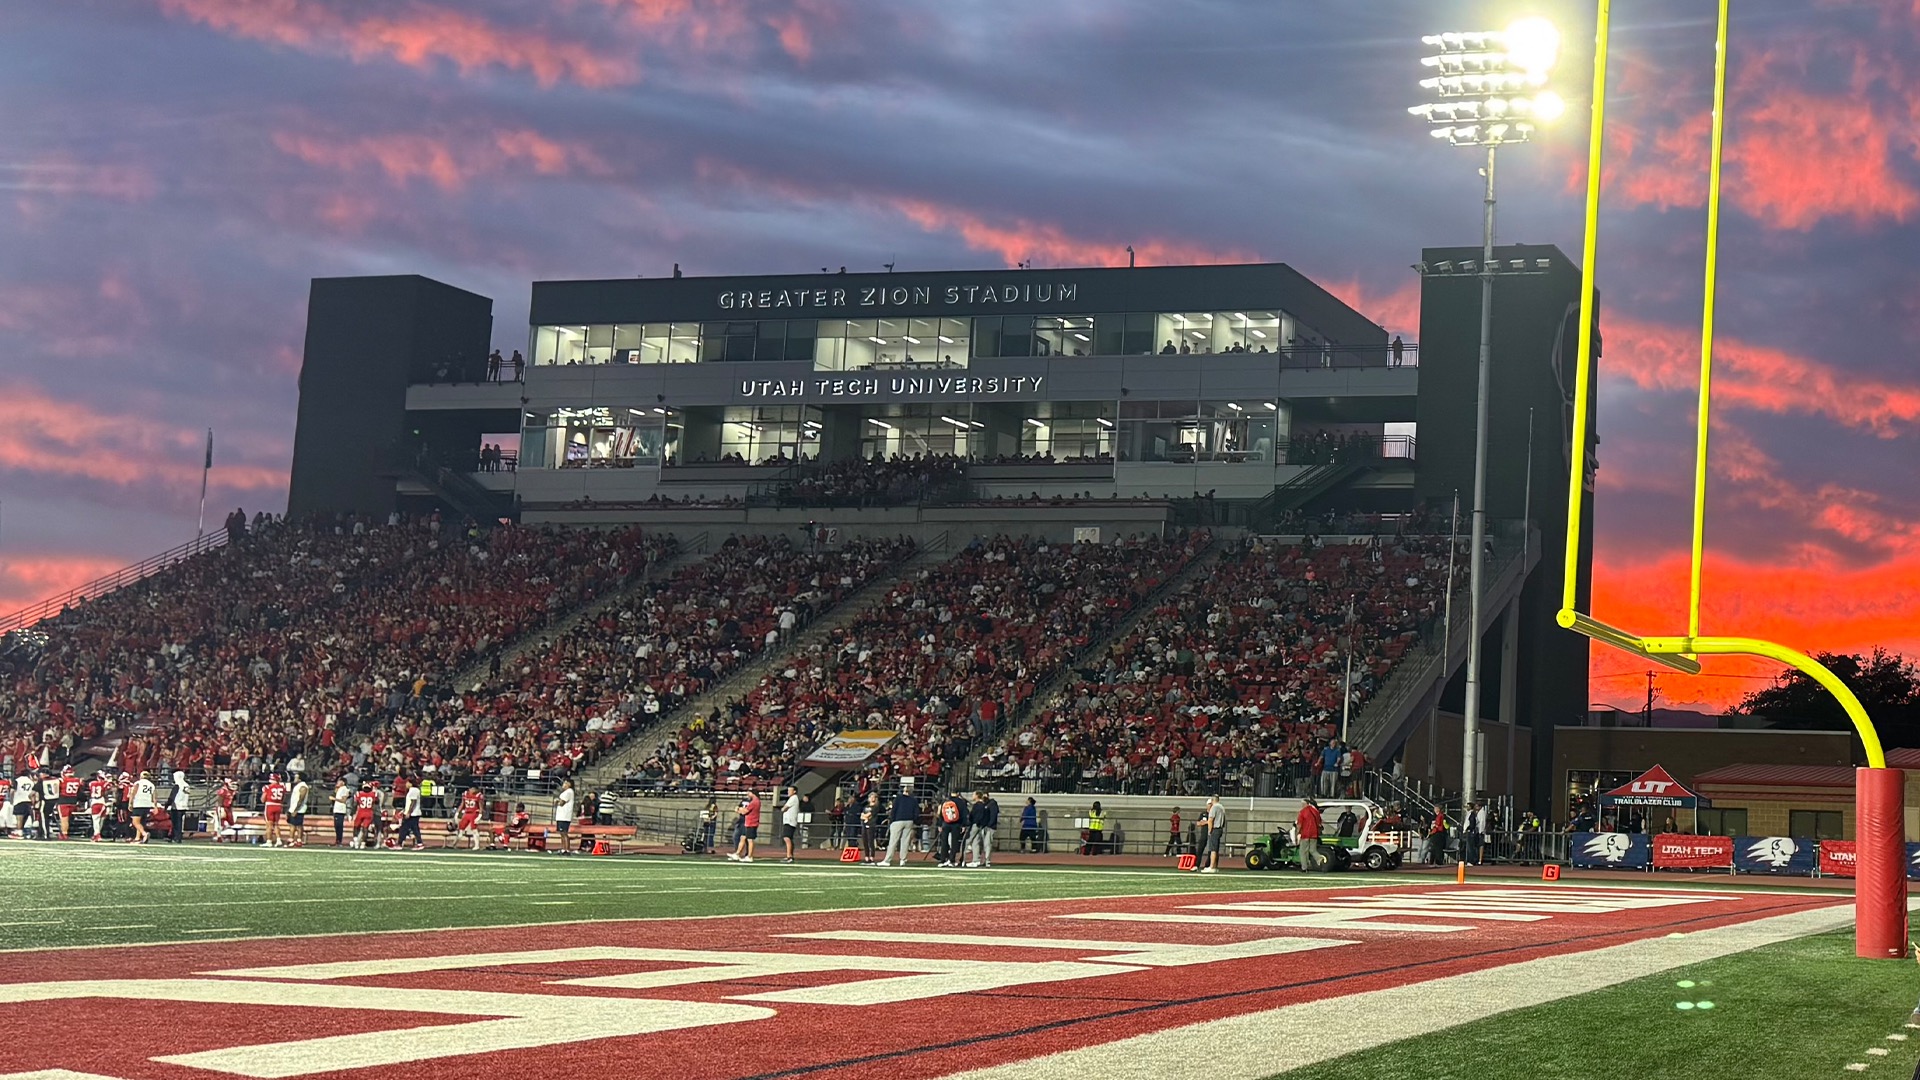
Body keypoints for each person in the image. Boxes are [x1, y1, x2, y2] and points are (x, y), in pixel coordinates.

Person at [880, 784, 919, 867]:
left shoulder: (898, 798)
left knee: (893, 841)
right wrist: (913, 820)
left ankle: (887, 860)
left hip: (898, 820)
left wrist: (891, 820)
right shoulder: (914, 800)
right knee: (905, 841)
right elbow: (916, 812)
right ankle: (903, 860)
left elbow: (894, 810)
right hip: (909, 821)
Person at [727, 788, 761, 862]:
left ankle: (749, 856)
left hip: (752, 822)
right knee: (743, 837)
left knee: (750, 840)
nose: (748, 794)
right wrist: (740, 810)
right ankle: (737, 854)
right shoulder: (755, 801)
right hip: (748, 822)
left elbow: (744, 811)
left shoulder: (754, 802)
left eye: (749, 793)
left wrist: (739, 809)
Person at [967, 791, 998, 868]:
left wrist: (989, 825)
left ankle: (987, 861)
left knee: (987, 844)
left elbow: (993, 816)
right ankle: (978, 859)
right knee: (978, 842)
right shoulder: (983, 804)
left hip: (989, 827)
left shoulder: (992, 804)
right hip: (983, 826)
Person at [1295, 796, 1324, 871]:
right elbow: (1319, 822)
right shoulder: (1315, 812)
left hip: (1305, 834)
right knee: (1313, 850)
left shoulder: (1302, 812)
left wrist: (1297, 833)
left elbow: (1299, 825)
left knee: (1303, 851)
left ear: (1306, 804)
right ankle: (1319, 858)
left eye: (1302, 804)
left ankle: (1304, 868)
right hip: (1314, 834)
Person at [262, 773, 290, 847]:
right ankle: (278, 840)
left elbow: (263, 799)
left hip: (270, 805)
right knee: (276, 824)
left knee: (269, 825)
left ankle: (269, 841)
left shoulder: (267, 787)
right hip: (278, 805)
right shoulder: (282, 787)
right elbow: (283, 798)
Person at [1201, 794, 1227, 874]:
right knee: (1216, 848)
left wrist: (1209, 830)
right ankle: (1215, 866)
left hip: (1215, 828)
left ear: (1212, 800)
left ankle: (1211, 866)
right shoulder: (1222, 807)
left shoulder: (1214, 807)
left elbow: (1211, 820)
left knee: (1213, 849)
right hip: (1220, 828)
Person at [350, 782, 380, 849]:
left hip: (361, 812)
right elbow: (377, 802)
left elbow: (355, 804)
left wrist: (351, 813)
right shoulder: (373, 794)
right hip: (369, 812)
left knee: (356, 827)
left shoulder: (359, 793)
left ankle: (356, 842)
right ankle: (363, 844)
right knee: (365, 828)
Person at [130, 771, 156, 844]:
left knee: (135, 822)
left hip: (139, 804)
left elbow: (133, 793)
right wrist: (155, 806)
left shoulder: (138, 783)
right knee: (141, 822)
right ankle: (137, 838)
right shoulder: (151, 785)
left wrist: (130, 803)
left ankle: (144, 834)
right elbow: (154, 797)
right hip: (147, 804)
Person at [398, 779, 425, 850]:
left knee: (404, 828)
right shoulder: (413, 790)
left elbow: (413, 802)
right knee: (415, 829)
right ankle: (419, 843)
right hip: (413, 813)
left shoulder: (413, 790)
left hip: (413, 814)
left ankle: (400, 843)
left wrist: (409, 812)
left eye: (407, 782)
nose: (406, 784)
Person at [552, 779, 576, 855]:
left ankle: (566, 849)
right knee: (561, 833)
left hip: (564, 815)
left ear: (569, 784)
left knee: (564, 833)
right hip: (561, 815)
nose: (564, 784)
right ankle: (563, 849)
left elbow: (562, 803)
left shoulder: (569, 792)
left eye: (565, 783)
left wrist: (557, 801)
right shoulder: (566, 792)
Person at [57, 766, 81, 841]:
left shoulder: (62, 780)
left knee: (64, 819)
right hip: (73, 801)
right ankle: (64, 832)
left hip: (64, 801)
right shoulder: (78, 780)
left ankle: (64, 834)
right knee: (67, 819)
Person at [170, 770, 193, 843]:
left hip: (176, 806)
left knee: (176, 823)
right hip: (184, 805)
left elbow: (172, 796)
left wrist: (167, 805)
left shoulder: (177, 785)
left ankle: (176, 837)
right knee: (179, 822)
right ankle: (177, 836)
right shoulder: (186, 785)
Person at [779, 786, 801, 863]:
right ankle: (789, 855)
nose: (788, 792)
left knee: (786, 838)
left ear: (794, 791)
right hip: (789, 821)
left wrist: (783, 809)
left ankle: (789, 856)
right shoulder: (793, 798)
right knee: (788, 838)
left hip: (790, 821)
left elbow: (784, 808)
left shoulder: (793, 798)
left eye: (790, 790)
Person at [287, 774, 309, 847]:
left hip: (299, 809)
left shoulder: (303, 786)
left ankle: (295, 840)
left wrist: (296, 810)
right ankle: (294, 840)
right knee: (293, 824)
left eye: (296, 777)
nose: (294, 778)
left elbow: (301, 799)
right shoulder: (298, 786)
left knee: (297, 825)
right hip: (294, 807)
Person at [331, 777, 351, 847]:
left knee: (339, 826)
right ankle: (337, 840)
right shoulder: (339, 789)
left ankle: (339, 841)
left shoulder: (344, 789)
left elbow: (343, 800)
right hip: (337, 809)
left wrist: (334, 799)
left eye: (339, 781)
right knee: (336, 826)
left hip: (340, 810)